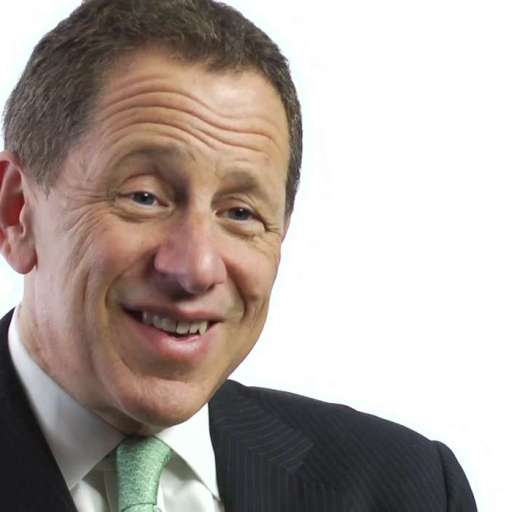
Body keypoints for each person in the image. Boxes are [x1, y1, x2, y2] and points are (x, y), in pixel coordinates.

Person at [0, 0, 476, 510]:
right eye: (145, 197)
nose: (196, 269)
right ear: (17, 213)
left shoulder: (408, 488)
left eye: (240, 213)